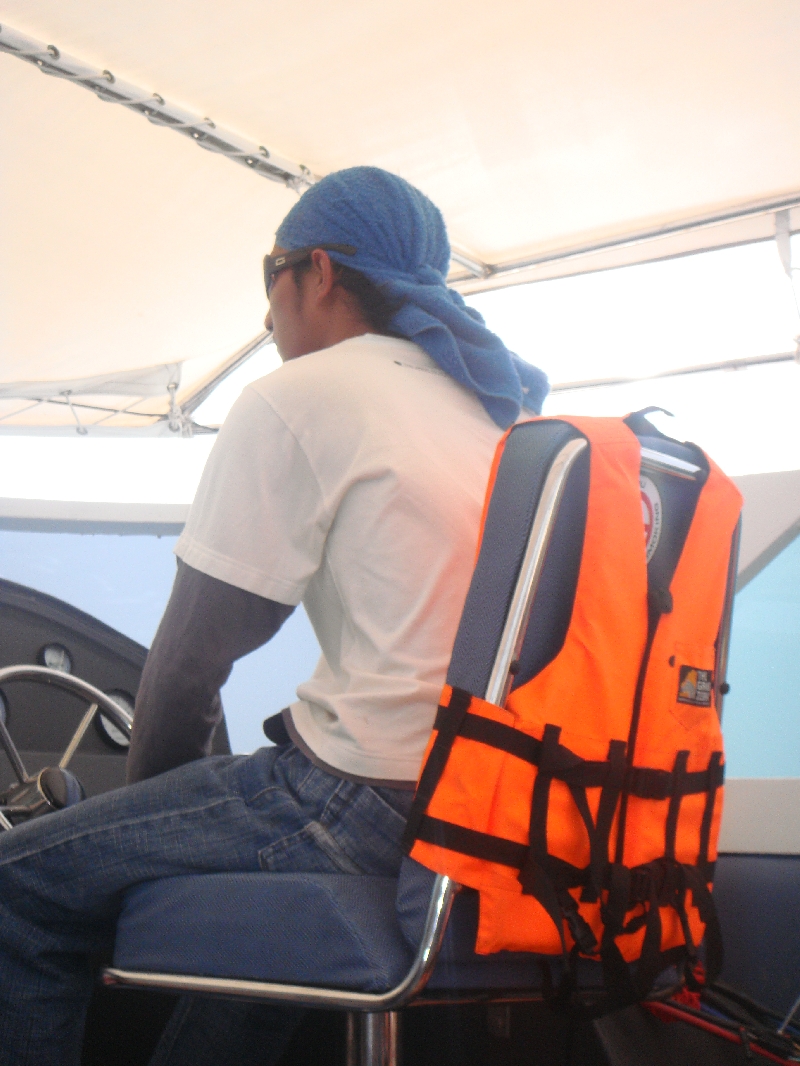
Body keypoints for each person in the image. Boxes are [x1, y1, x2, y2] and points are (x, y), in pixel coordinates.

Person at [0, 167, 548, 1065]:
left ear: (320, 273)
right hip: (477, 809)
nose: (264, 319)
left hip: (359, 797)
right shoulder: (492, 413)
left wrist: (141, 827)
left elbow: (184, 671)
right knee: (251, 948)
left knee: (18, 894)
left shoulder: (305, 396)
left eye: (271, 278)